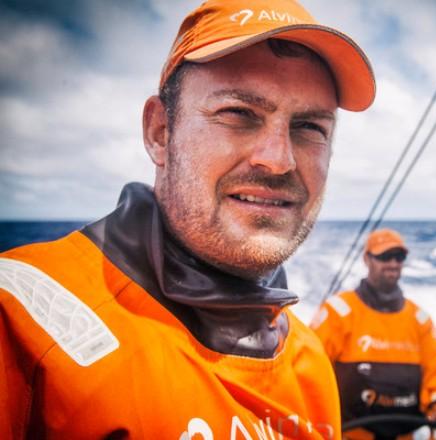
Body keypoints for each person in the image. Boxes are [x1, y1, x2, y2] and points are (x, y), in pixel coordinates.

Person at [0, 0, 375, 438]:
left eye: (310, 127)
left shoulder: (310, 363)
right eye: (238, 114)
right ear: (160, 133)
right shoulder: (19, 320)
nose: (279, 160)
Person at [310, 229, 436, 440]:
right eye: (385, 257)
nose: (393, 263)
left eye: (399, 257)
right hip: (350, 433)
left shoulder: (419, 320)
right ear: (367, 259)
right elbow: (310, 371)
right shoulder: (338, 313)